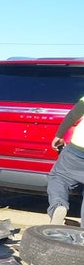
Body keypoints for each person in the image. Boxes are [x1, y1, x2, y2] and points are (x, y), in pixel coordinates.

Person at [47, 95, 84, 224]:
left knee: (59, 177)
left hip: (78, 149)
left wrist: (59, 135)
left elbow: (74, 114)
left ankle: (58, 205)